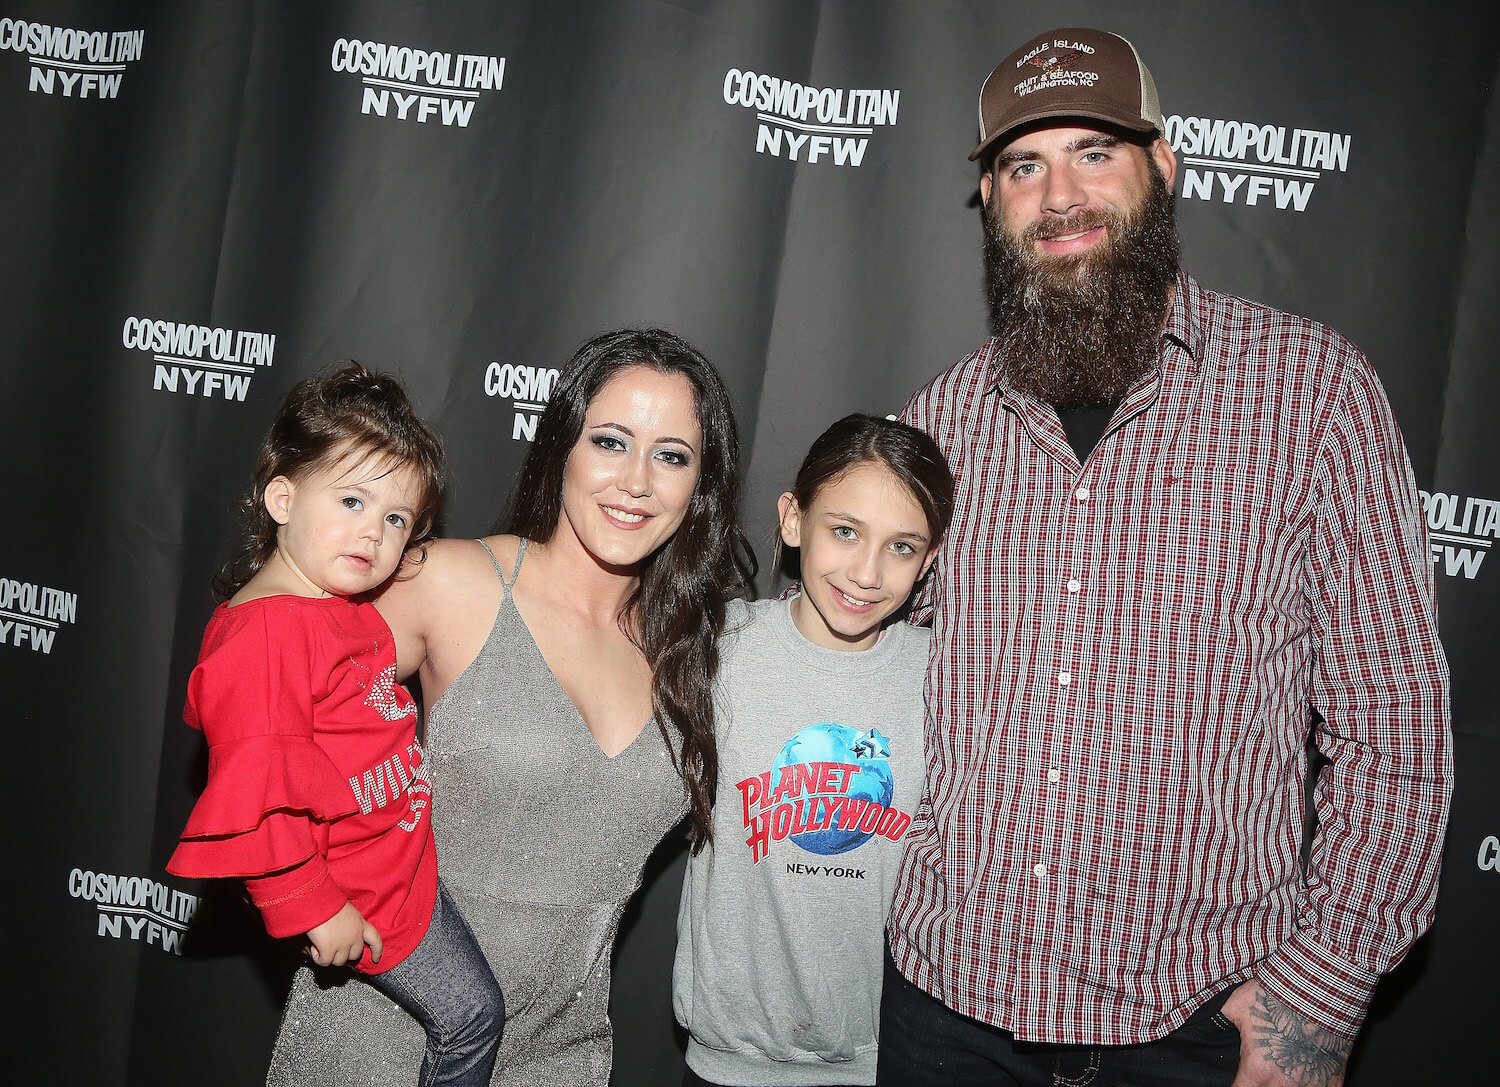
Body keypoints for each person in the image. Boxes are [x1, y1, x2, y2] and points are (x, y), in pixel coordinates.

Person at [879, 26, 1452, 1087]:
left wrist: (1316, 1003)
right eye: (1023, 166)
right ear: (994, 202)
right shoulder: (940, 421)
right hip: (940, 1019)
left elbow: (1395, 725)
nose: (1060, 196)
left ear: (1165, 163)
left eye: (1093, 151)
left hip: (1197, 1032)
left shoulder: (1314, 395)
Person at [265, 328, 756, 1087]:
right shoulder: (449, 583)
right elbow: (268, 705)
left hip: (558, 1054)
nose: (636, 480)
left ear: (701, 484)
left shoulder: (698, 648)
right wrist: (299, 885)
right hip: (380, 1034)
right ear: (562, 443)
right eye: (611, 440)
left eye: (671, 455)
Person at [167, 362, 505, 1087]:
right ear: (282, 497)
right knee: (474, 1015)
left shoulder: (329, 601)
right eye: (351, 499)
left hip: (402, 860)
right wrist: (317, 912)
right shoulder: (263, 640)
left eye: (394, 519)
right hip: (365, 892)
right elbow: (260, 804)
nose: (372, 532)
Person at [674, 414, 955, 1087]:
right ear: (794, 520)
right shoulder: (718, 651)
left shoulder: (944, 678)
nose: (866, 571)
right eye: (846, 530)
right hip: (728, 1062)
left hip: (884, 1060)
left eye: (902, 546)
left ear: (932, 557)